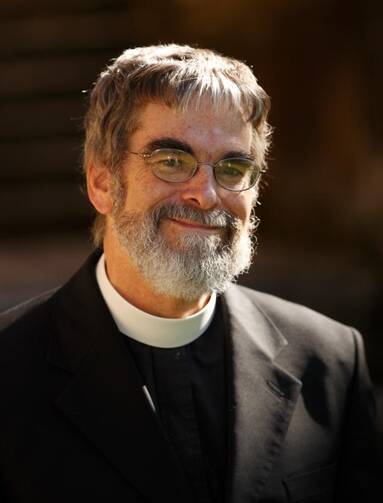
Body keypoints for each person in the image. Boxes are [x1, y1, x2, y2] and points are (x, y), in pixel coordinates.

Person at [0, 44, 378, 503]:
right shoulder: (9, 369)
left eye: (233, 167)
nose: (206, 194)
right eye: (172, 161)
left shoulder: (330, 360)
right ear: (102, 181)